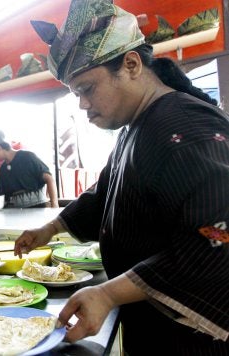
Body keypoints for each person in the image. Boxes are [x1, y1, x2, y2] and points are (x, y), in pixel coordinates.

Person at [14, 0, 229, 354]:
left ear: (130, 64)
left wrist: (109, 292)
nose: (82, 104)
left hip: (190, 336)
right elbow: (106, 192)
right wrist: (49, 229)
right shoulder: (139, 125)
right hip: (151, 318)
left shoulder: (186, 127)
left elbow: (218, 236)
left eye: (86, 88)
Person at [0, 129, 58, 208]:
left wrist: (54, 205)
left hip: (39, 211)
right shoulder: (3, 170)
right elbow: (3, 198)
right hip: (17, 216)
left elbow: (49, 179)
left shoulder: (28, 157)